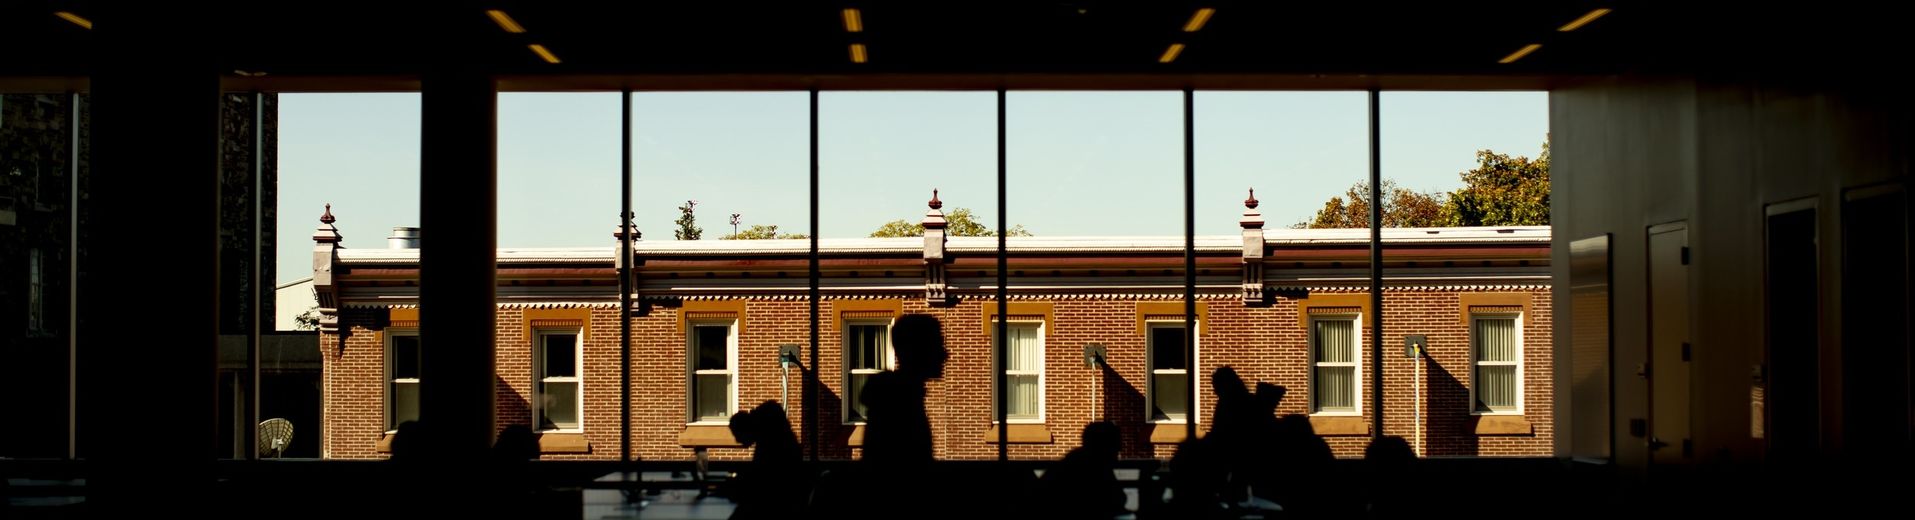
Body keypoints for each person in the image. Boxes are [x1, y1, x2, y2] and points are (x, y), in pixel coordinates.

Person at [1039, 421, 1127, 519]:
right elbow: (1115, 500)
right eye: (1116, 445)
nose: (1120, 449)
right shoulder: (1092, 468)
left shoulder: (1078, 463)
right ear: (1104, 447)